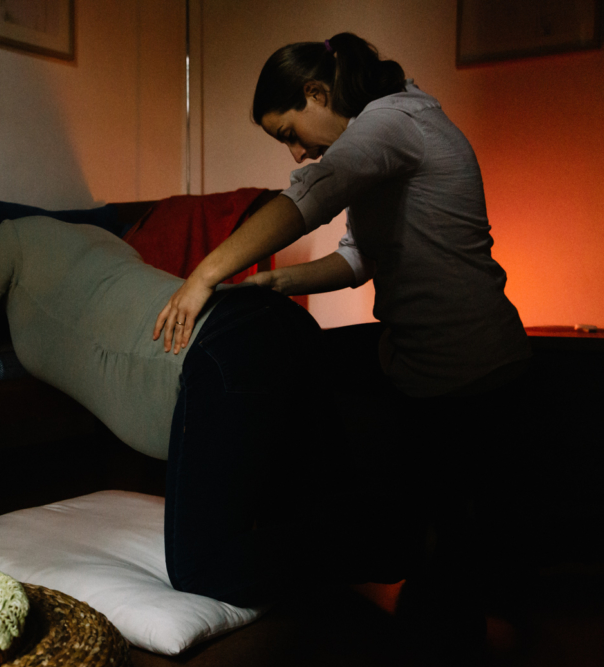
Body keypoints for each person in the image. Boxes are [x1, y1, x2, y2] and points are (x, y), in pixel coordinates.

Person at [0, 216, 371, 608]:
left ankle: (377, 541)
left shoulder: (6, 238)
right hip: (275, 320)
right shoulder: (97, 239)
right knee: (309, 517)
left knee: (200, 569)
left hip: (221, 352)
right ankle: (377, 536)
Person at [154, 32, 530, 400]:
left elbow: (311, 196)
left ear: (315, 93)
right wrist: (274, 282)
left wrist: (203, 276)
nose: (297, 154)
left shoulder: (392, 122)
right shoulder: (376, 136)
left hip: (473, 366)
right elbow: (359, 256)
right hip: (413, 358)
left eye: (289, 133)